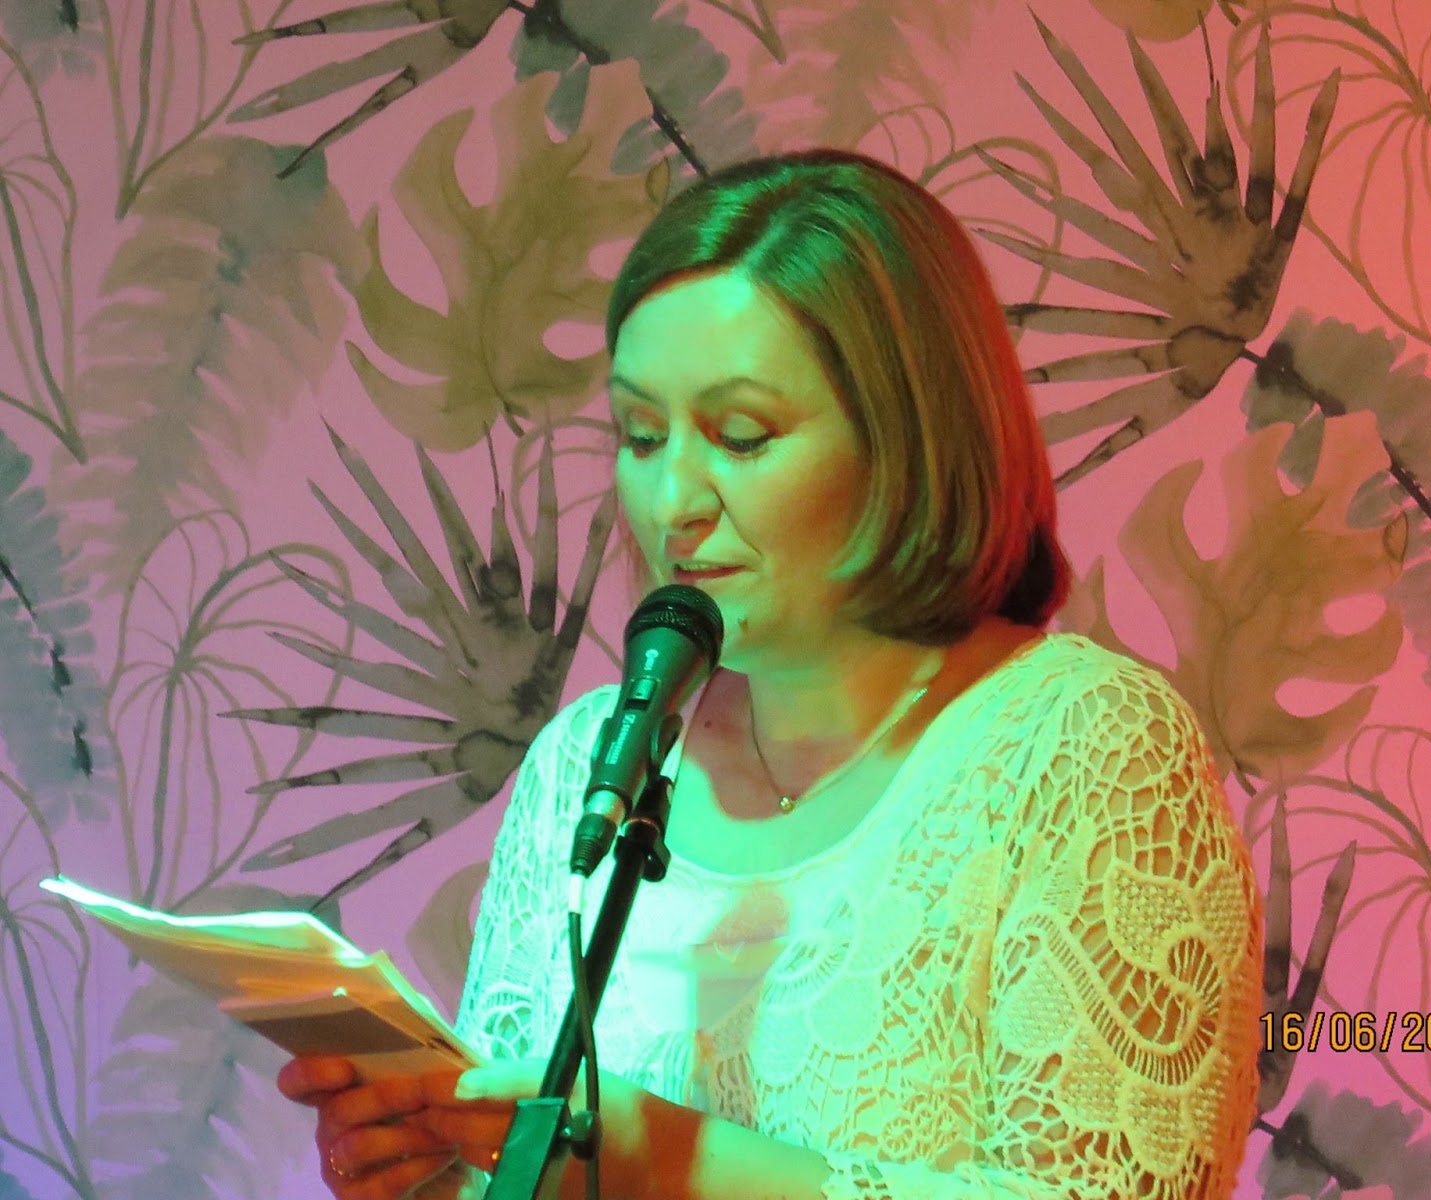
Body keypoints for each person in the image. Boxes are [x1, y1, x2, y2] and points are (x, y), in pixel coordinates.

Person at [278, 149, 1264, 1200]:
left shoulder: (1083, 747)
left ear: (906, 439)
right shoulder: (588, 763)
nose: (673, 502)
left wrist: (669, 1162)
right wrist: (433, 1169)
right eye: (641, 435)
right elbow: (533, 1168)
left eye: (740, 436)